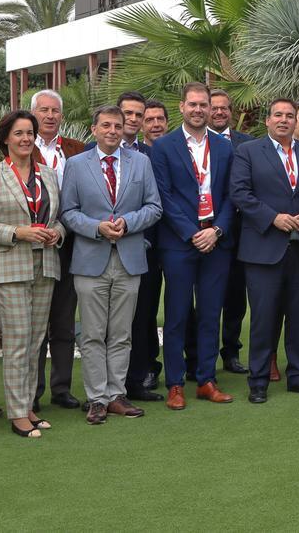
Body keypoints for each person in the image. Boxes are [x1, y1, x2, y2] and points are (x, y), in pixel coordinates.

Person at [60, 105, 162, 424]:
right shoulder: (76, 165)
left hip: (129, 258)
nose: (113, 131)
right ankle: (97, 399)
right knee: (92, 334)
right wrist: (96, 227)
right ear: (94, 129)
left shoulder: (141, 162)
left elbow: (154, 207)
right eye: (106, 125)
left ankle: (117, 394)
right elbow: (68, 211)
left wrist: (128, 223)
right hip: (90, 259)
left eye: (117, 126)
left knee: (121, 333)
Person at [230, 98, 299, 403]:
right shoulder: (248, 151)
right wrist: (272, 217)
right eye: (278, 115)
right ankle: (258, 381)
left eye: (290, 115)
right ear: (268, 120)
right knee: (263, 318)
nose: (285, 120)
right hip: (263, 249)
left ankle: (298, 377)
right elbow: (239, 193)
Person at [0, 110, 66, 438]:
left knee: (36, 341)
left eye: (30, 133)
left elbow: (57, 219)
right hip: (9, 267)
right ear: (5, 139)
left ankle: (27, 406)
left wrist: (57, 233)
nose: (25, 139)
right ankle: (17, 413)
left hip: (45, 265)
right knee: (17, 340)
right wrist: (18, 232)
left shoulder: (47, 174)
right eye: (19, 133)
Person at [151, 81, 237, 410]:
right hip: (179, 243)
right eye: (193, 104)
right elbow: (164, 196)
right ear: (182, 107)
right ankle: (175, 383)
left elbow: (231, 195)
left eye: (204, 105)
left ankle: (206, 380)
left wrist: (217, 230)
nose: (199, 110)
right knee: (176, 315)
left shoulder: (224, 147)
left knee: (210, 314)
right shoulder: (164, 147)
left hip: (216, 240)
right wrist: (192, 233)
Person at [29, 89, 86, 412]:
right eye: (43, 110)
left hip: (70, 242)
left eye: (55, 111)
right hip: (34, 244)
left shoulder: (76, 149)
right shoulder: (21, 146)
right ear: (32, 114)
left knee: (64, 320)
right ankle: (33, 391)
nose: (50, 116)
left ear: (62, 116)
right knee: (38, 322)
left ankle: (61, 388)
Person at [209, 88, 254, 375]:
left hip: (241, 231)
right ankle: (203, 355)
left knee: (236, 297)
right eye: (214, 107)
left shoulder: (247, 144)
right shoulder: (194, 143)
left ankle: (231, 351)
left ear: (231, 111)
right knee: (207, 297)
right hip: (205, 231)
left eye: (224, 108)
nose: (219, 112)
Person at [126, 99, 169, 401]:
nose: (135, 119)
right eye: (128, 114)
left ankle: (151, 367)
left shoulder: (157, 153)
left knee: (152, 310)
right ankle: (137, 371)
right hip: (130, 242)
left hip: (164, 241)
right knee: (137, 314)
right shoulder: (94, 153)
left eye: (137, 114)